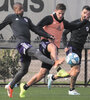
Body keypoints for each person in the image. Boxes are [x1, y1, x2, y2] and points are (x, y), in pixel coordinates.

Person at [19, 3, 88, 98]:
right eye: (59, 13)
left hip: (52, 50)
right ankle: (58, 67)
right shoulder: (49, 18)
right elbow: (37, 27)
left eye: (63, 14)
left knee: (42, 73)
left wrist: (85, 21)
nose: (61, 16)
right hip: (44, 44)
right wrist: (47, 35)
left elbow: (74, 26)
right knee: (53, 46)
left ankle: (25, 86)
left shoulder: (64, 23)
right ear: (55, 11)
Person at [0, 2, 65, 98]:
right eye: (20, 9)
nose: (22, 10)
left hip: (27, 45)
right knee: (36, 52)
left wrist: (47, 35)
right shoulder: (11, 17)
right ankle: (55, 64)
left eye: (23, 8)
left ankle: (11, 85)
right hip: (21, 44)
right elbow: (1, 25)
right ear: (15, 10)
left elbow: (35, 29)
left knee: (24, 70)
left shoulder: (27, 19)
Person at [47, 5, 90, 95]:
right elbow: (64, 34)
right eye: (85, 12)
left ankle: (54, 77)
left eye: (88, 14)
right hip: (71, 48)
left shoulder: (88, 25)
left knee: (75, 72)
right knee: (76, 70)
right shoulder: (75, 23)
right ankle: (71, 90)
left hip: (79, 49)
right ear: (81, 13)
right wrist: (65, 45)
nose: (86, 15)